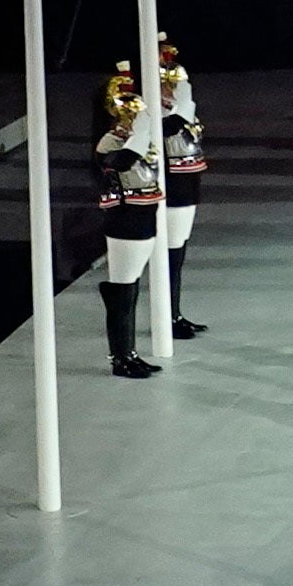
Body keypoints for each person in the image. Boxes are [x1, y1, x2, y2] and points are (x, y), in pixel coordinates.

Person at [90, 68, 163, 380]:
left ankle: (129, 353)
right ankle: (120, 357)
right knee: (122, 288)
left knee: (130, 288)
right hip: (124, 218)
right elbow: (121, 162)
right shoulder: (111, 142)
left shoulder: (136, 140)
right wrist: (141, 134)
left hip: (143, 216)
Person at [152, 37, 209, 339]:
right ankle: (167, 317)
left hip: (188, 181)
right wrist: (179, 107)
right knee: (170, 254)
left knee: (179, 251)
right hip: (172, 184)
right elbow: (168, 129)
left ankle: (174, 313)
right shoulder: (153, 110)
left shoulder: (178, 102)